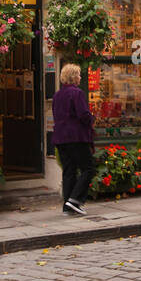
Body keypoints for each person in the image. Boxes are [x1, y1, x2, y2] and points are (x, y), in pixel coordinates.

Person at [52, 63, 95, 215]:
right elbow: (83, 114)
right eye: (79, 74)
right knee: (88, 168)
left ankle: (67, 206)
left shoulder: (57, 95)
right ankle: (74, 200)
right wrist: (92, 119)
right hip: (76, 137)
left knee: (69, 171)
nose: (80, 77)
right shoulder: (76, 93)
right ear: (74, 76)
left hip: (60, 138)